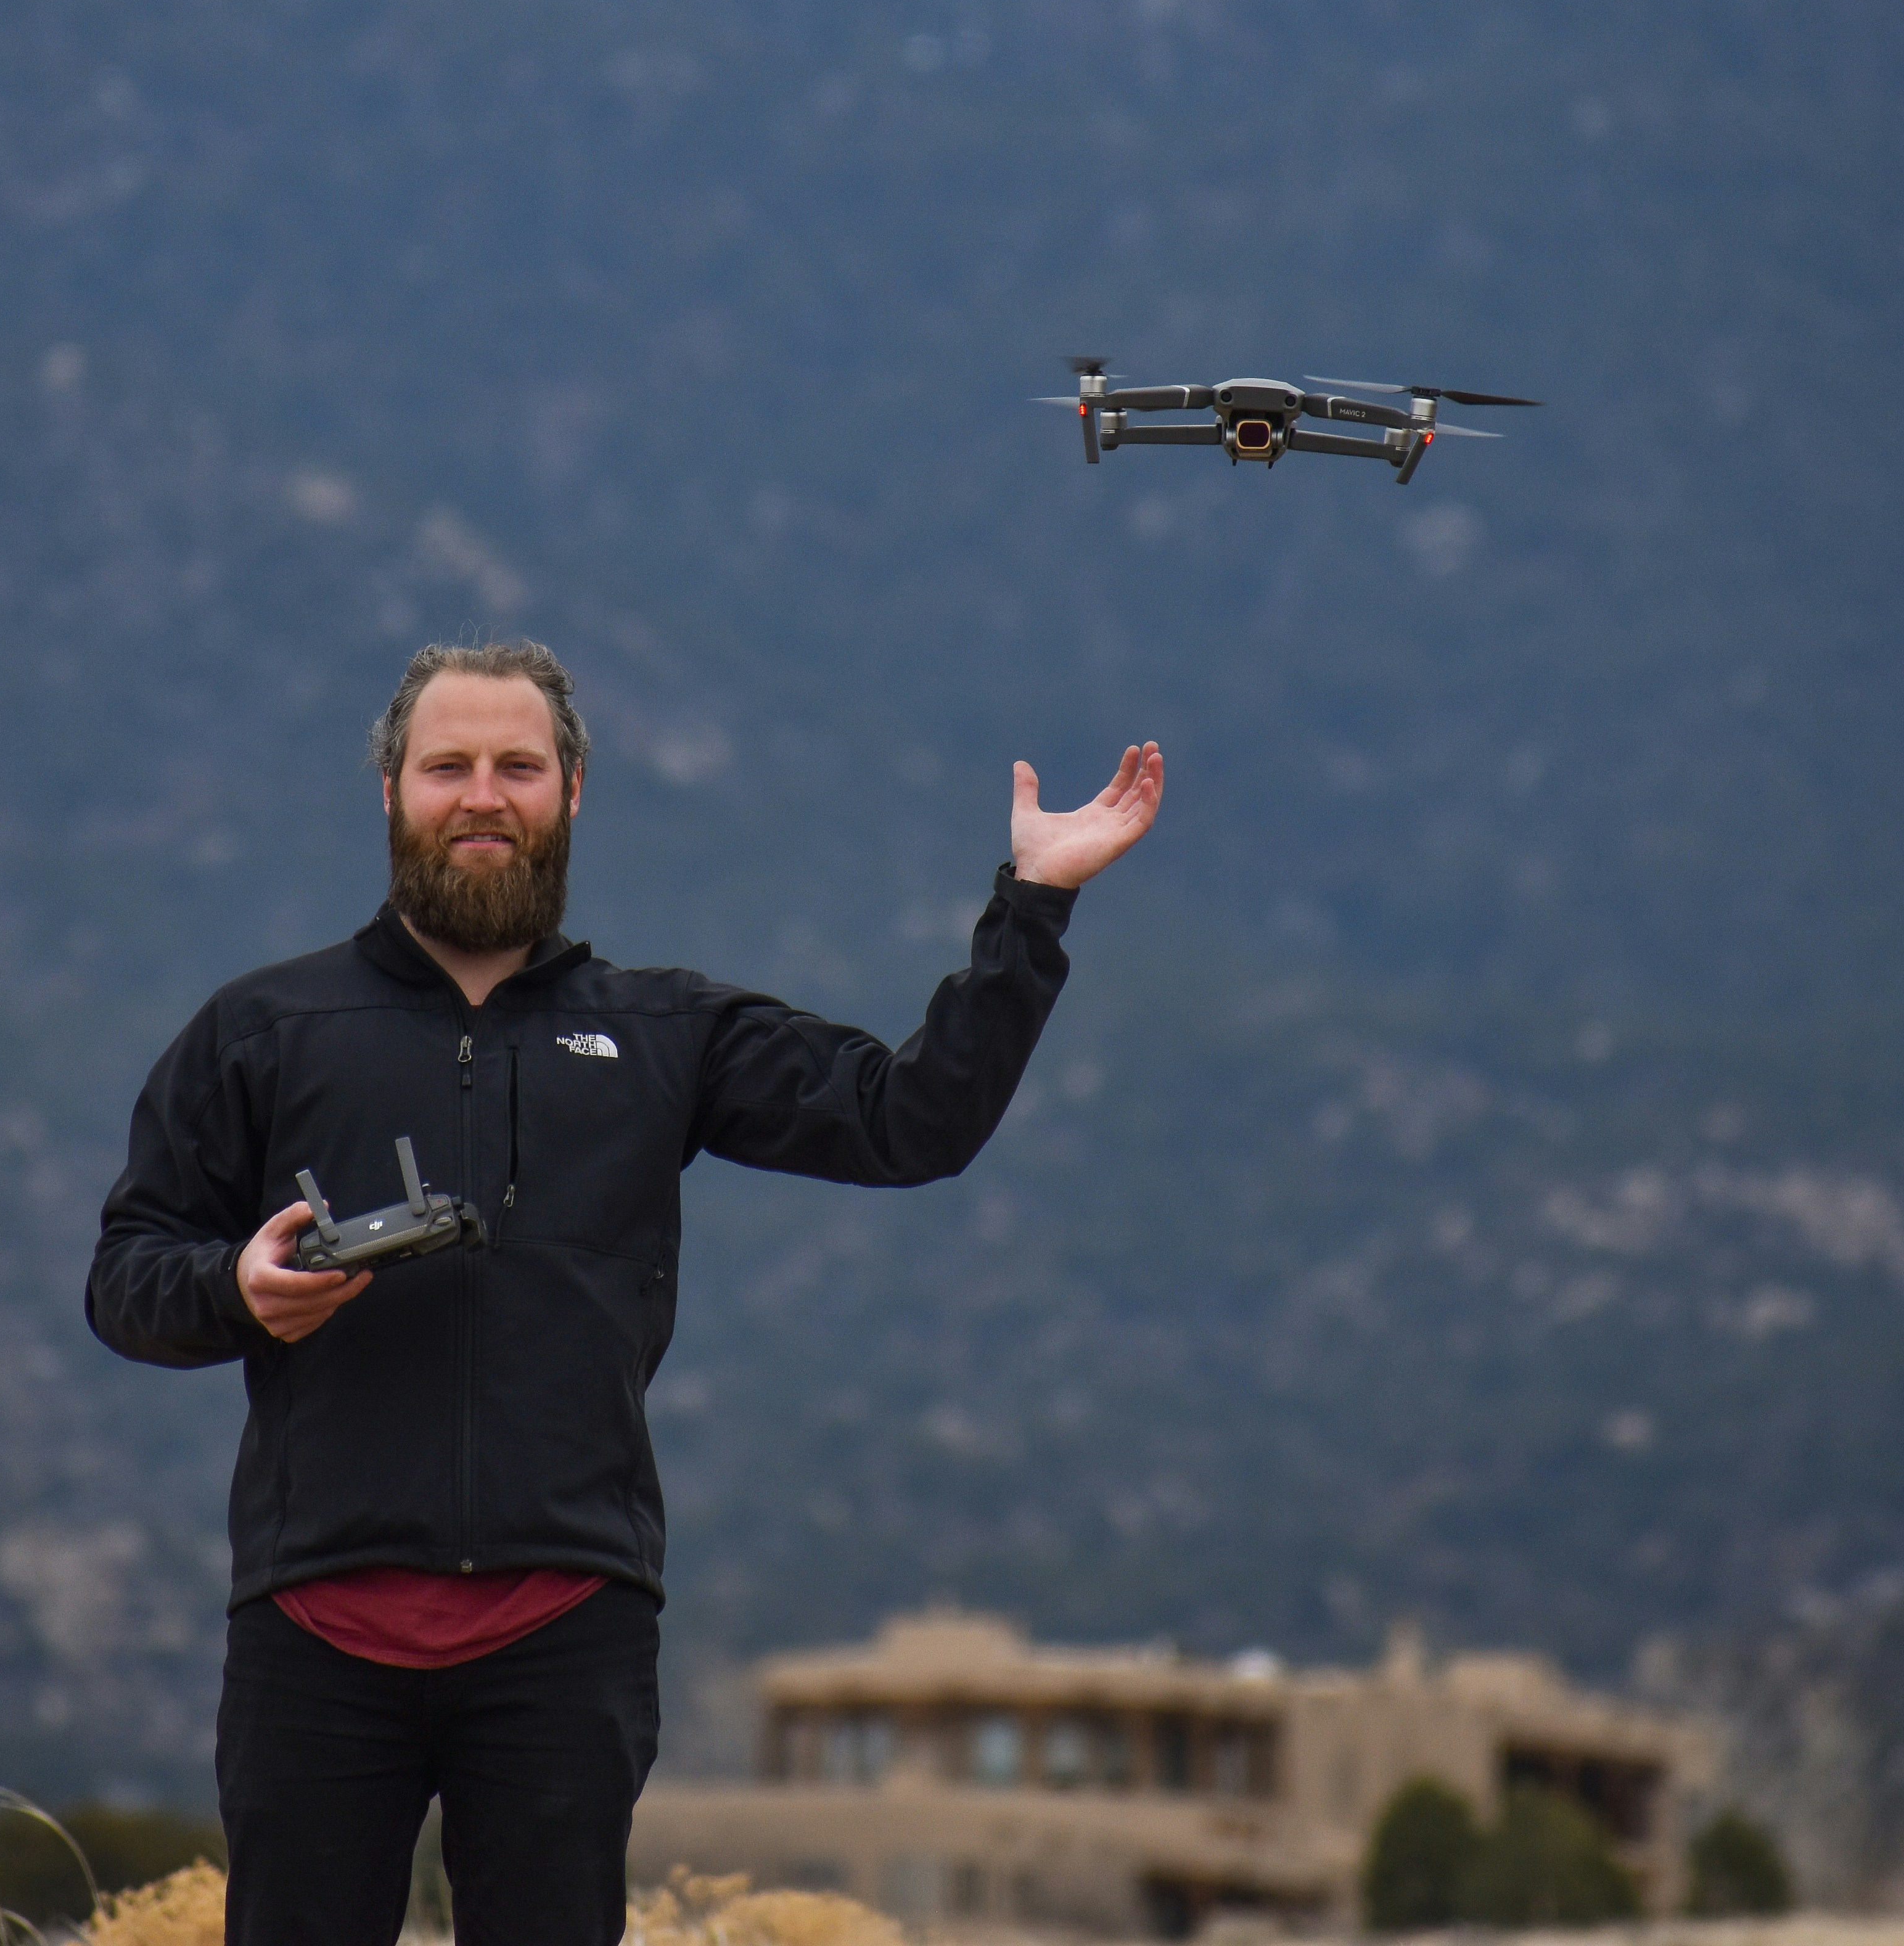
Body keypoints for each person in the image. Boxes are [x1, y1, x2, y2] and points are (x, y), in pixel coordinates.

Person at [86, 639, 1164, 1946]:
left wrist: (1032, 906)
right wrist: (237, 1289)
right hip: (315, 1630)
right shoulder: (260, 1029)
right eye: (448, 767)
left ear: (573, 790)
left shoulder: (666, 1031)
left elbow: (908, 1121)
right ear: (390, 791)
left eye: (518, 766)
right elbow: (126, 1274)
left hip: (565, 1630)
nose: (483, 793)